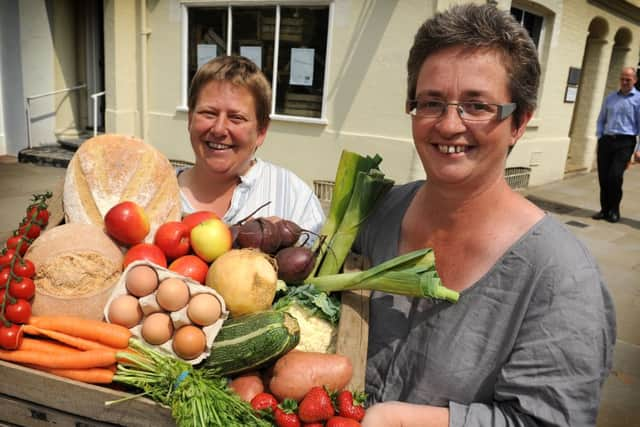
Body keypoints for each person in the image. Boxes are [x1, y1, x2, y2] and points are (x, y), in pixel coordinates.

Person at [354, 4, 616, 426]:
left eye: (476, 106)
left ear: (519, 122)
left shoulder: (560, 277)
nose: (449, 125)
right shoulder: (377, 214)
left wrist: (403, 420)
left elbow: (548, 421)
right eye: (431, 102)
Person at [178, 55, 325, 234]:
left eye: (236, 118)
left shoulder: (297, 200)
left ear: (261, 131)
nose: (219, 129)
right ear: (189, 119)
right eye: (208, 113)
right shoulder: (154, 196)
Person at [592, 66, 640, 223]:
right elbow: (601, 119)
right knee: (604, 177)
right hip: (607, 140)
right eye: (622, 79)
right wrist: (600, 137)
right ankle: (604, 210)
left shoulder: (638, 99)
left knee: (615, 176)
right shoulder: (611, 98)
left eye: (628, 79)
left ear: (635, 80)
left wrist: (639, 150)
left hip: (625, 142)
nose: (625, 82)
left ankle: (614, 209)